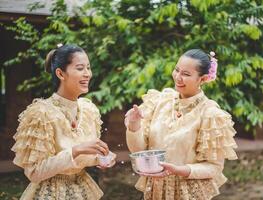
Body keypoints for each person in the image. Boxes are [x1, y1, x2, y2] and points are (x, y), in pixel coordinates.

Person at [125, 49, 238, 200]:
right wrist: (134, 125)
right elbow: (139, 151)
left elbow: (214, 167)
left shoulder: (210, 114)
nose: (178, 77)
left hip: (189, 192)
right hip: (155, 190)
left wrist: (179, 170)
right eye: (177, 70)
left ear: (203, 79)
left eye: (186, 74)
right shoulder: (160, 101)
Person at [11, 44, 116, 200]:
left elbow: (84, 155)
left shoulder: (89, 110)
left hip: (83, 190)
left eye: (88, 68)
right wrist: (76, 150)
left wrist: (99, 158)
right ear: (60, 73)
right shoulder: (41, 113)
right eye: (80, 68)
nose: (87, 74)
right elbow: (34, 172)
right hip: (50, 193)